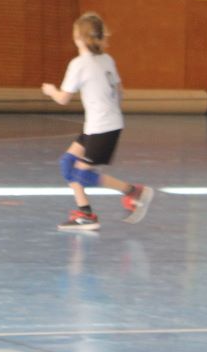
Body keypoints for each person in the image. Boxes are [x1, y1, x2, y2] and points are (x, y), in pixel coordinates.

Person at [41, 12, 154, 232]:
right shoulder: (107, 59)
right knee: (67, 164)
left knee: (82, 174)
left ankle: (133, 192)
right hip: (99, 126)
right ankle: (85, 214)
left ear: (79, 38)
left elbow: (63, 99)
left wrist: (50, 90)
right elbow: (120, 92)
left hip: (103, 128)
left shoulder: (78, 64)